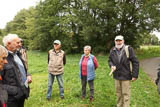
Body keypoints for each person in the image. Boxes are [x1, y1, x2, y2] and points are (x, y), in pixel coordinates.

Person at [1, 34, 32, 107]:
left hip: (22, 94)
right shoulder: (2, 58)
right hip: (11, 99)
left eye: (20, 42)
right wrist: (16, 91)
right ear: (9, 43)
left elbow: (23, 68)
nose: (20, 45)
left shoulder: (18, 54)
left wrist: (28, 74)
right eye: (17, 43)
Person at [108, 35, 139, 107]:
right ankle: (119, 105)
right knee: (118, 93)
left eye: (120, 40)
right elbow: (110, 60)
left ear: (123, 41)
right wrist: (111, 65)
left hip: (126, 75)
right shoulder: (112, 50)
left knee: (125, 94)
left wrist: (135, 75)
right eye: (117, 41)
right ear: (115, 41)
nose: (118, 42)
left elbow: (135, 62)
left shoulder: (128, 49)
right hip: (116, 76)